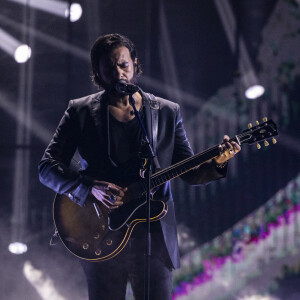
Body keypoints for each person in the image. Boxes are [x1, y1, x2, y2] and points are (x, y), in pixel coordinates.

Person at [38, 33, 240, 300]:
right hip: (100, 233)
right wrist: (88, 188)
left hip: (154, 238)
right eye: (109, 67)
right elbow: (47, 168)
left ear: (134, 63)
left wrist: (217, 163)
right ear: (98, 73)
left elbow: (189, 172)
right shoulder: (81, 111)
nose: (118, 73)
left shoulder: (167, 113)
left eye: (123, 65)